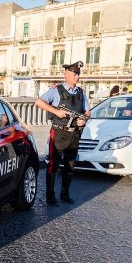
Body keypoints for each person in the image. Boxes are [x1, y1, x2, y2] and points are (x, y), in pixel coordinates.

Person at [35, 61, 90, 206]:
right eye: (74, 74)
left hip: (74, 134)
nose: (77, 77)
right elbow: (39, 102)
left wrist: (83, 119)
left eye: (78, 74)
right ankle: (50, 197)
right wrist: (56, 111)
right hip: (59, 133)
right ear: (66, 74)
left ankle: (65, 194)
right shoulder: (56, 90)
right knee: (53, 164)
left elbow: (87, 111)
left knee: (70, 165)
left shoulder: (81, 93)